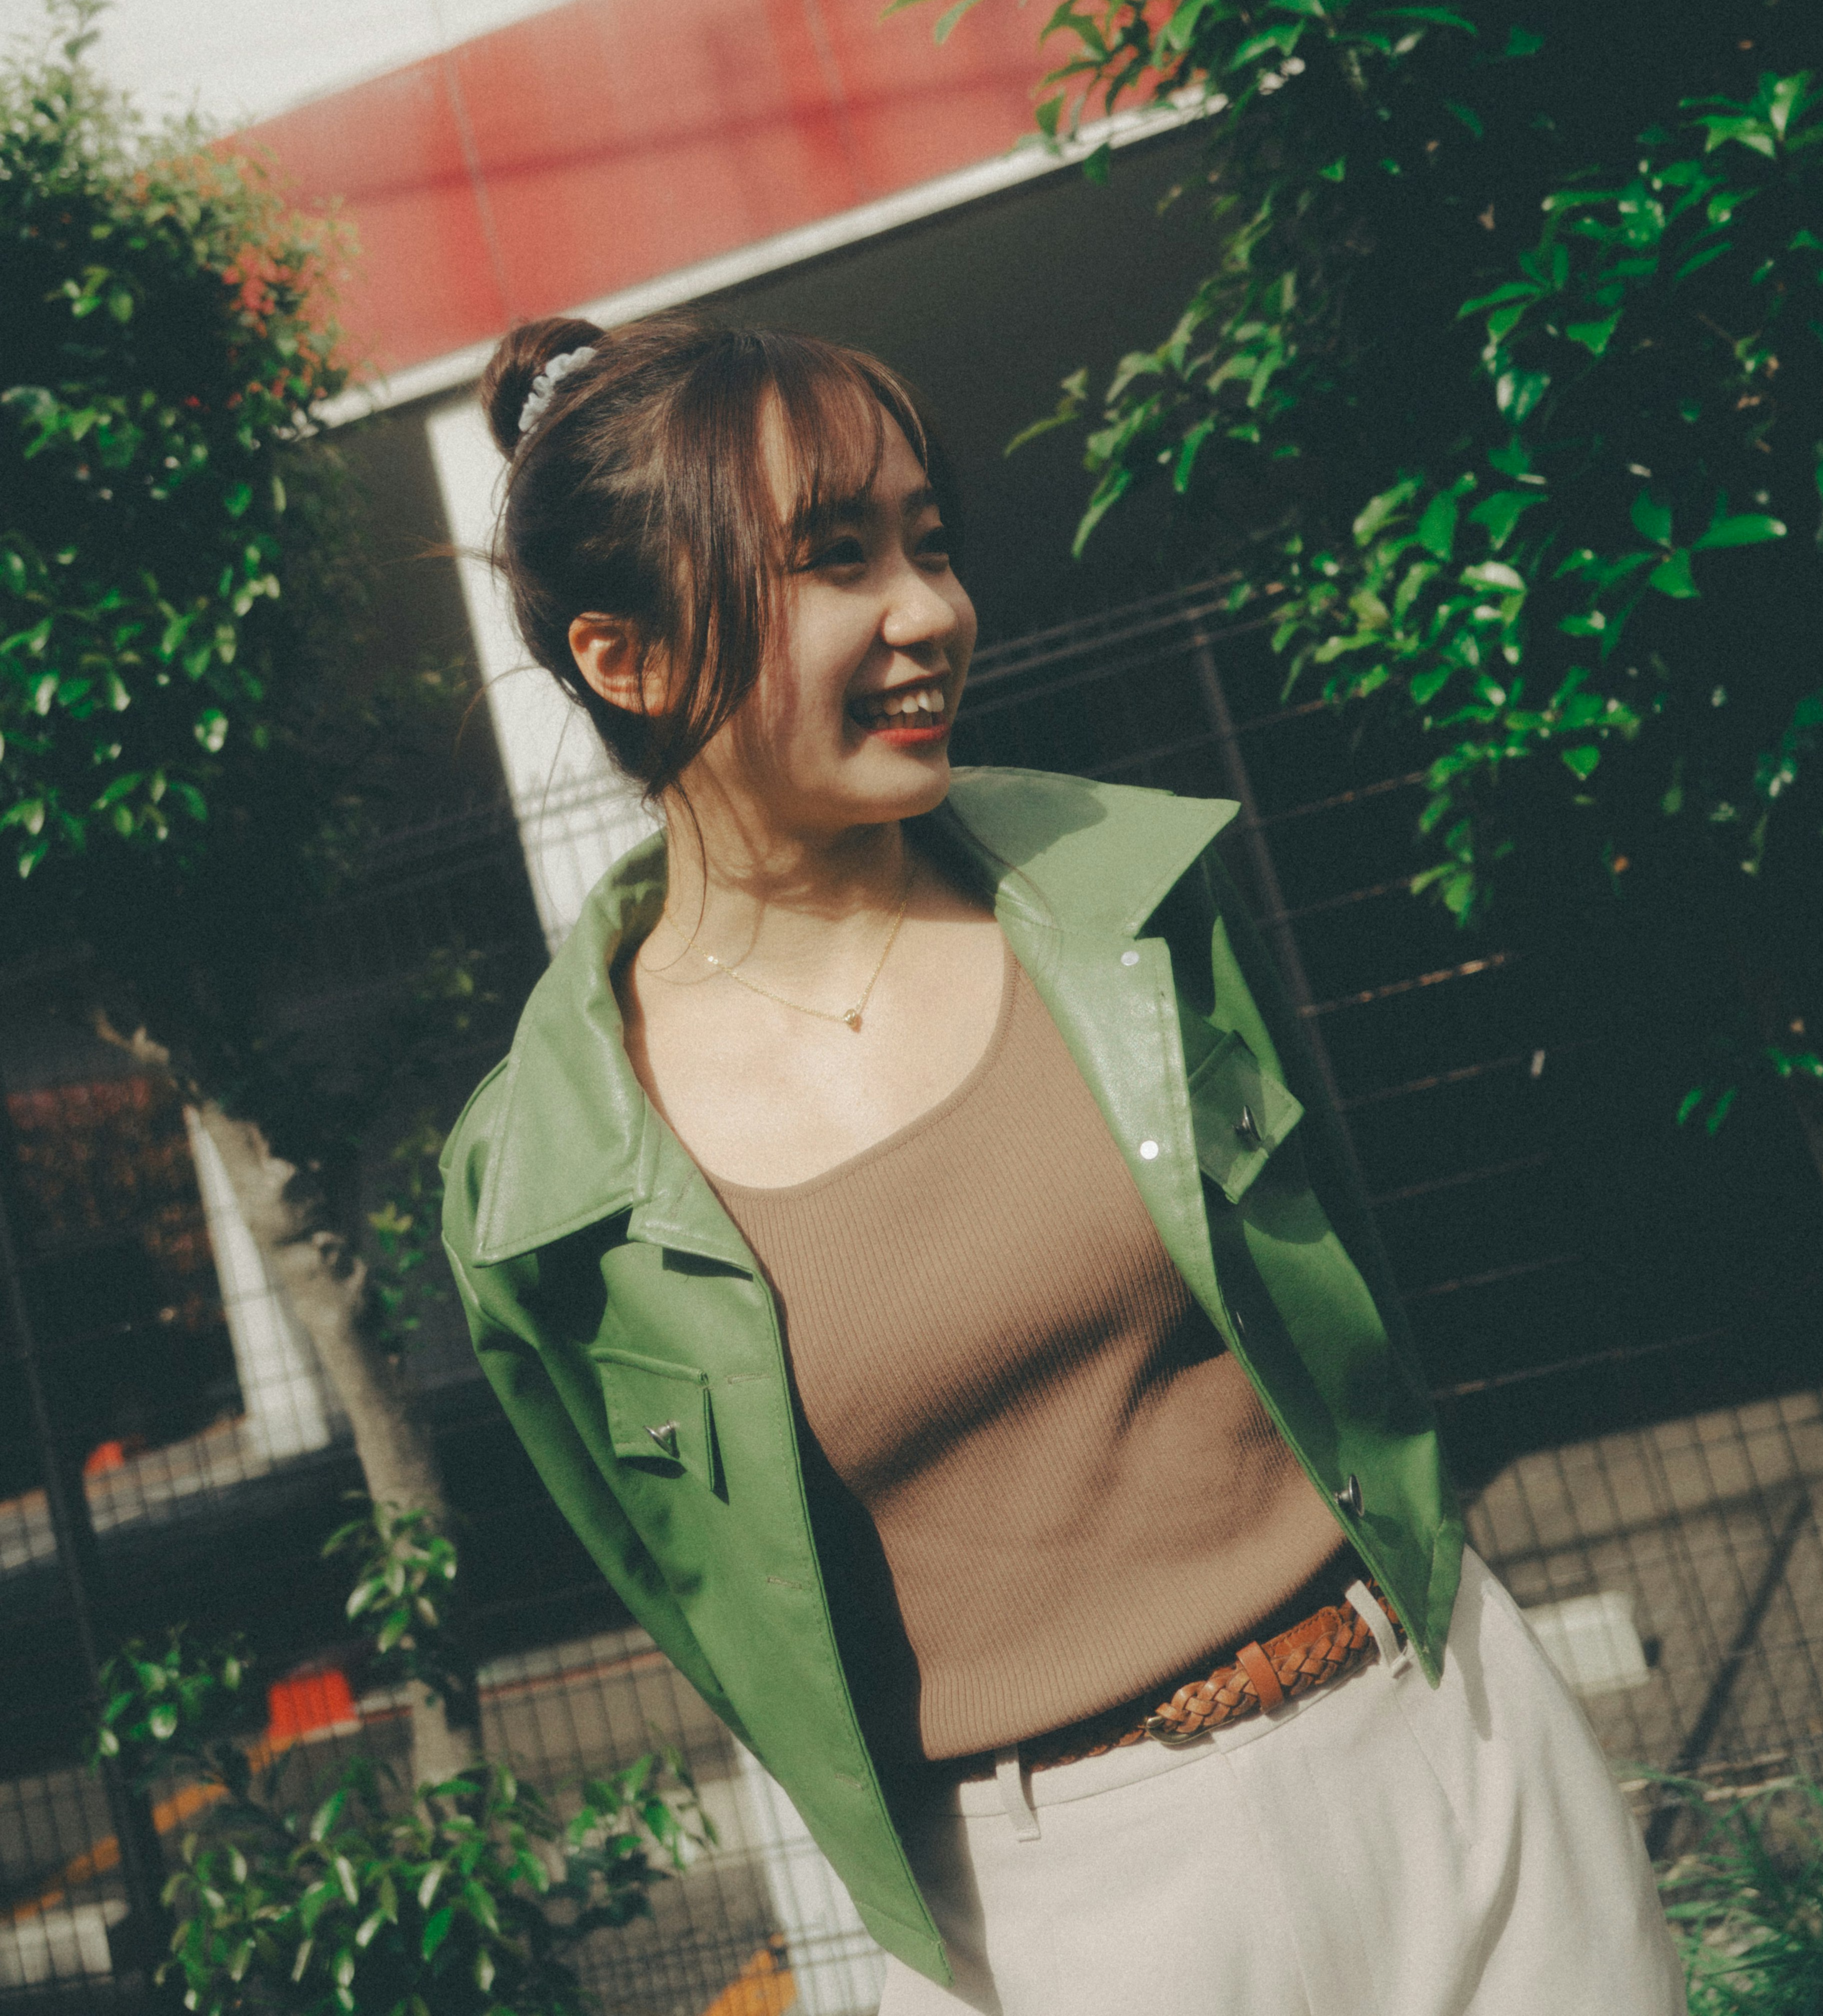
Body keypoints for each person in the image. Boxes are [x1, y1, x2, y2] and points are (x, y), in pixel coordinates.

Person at [440, 311, 1685, 2016]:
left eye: (929, 543)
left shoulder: (1129, 901)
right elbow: (695, 1603)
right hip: (1065, 1919)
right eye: (832, 561)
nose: (931, 611)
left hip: (1449, 1736)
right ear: (628, 657)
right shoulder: (544, 1190)